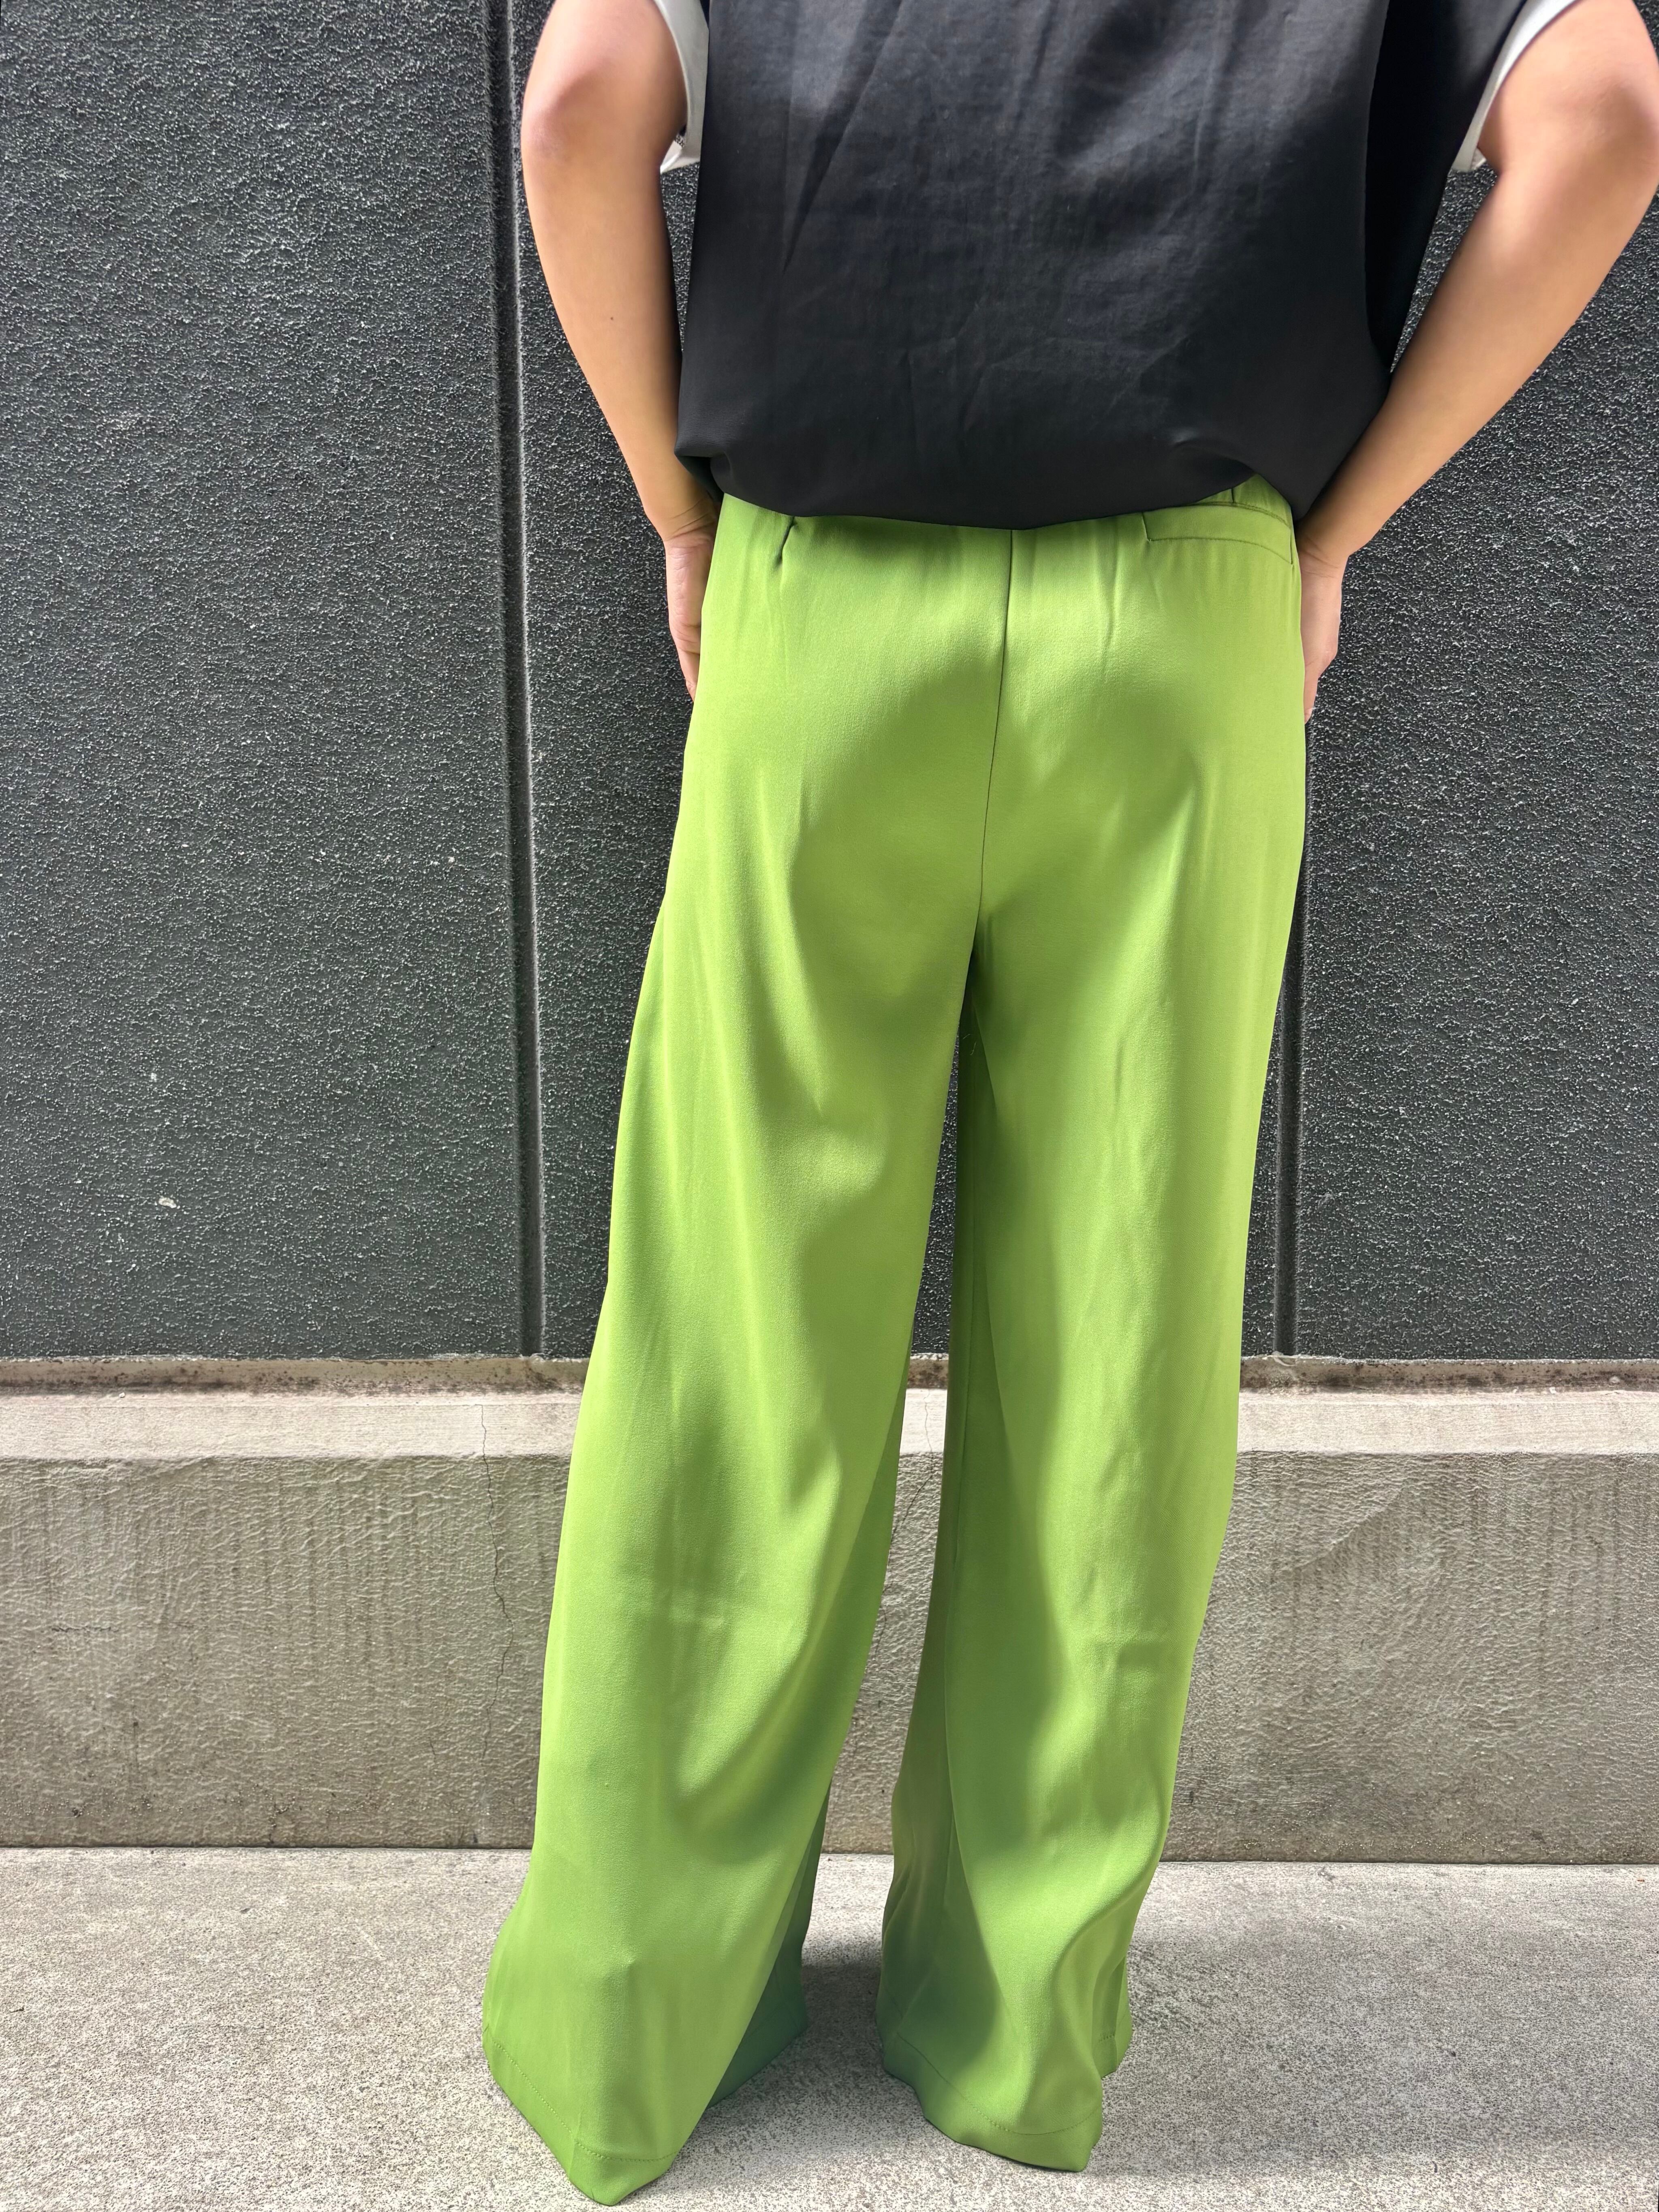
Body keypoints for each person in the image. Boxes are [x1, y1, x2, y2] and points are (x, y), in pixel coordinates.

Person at [480, 0, 1659, 2199]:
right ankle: (1016, 2028)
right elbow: (1598, 115)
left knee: (740, 1324)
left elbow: (576, 111)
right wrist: (1329, 536)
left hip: (825, 607)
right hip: (1179, 622)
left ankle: (629, 2027)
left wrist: (673, 509)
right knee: (1117, 1334)